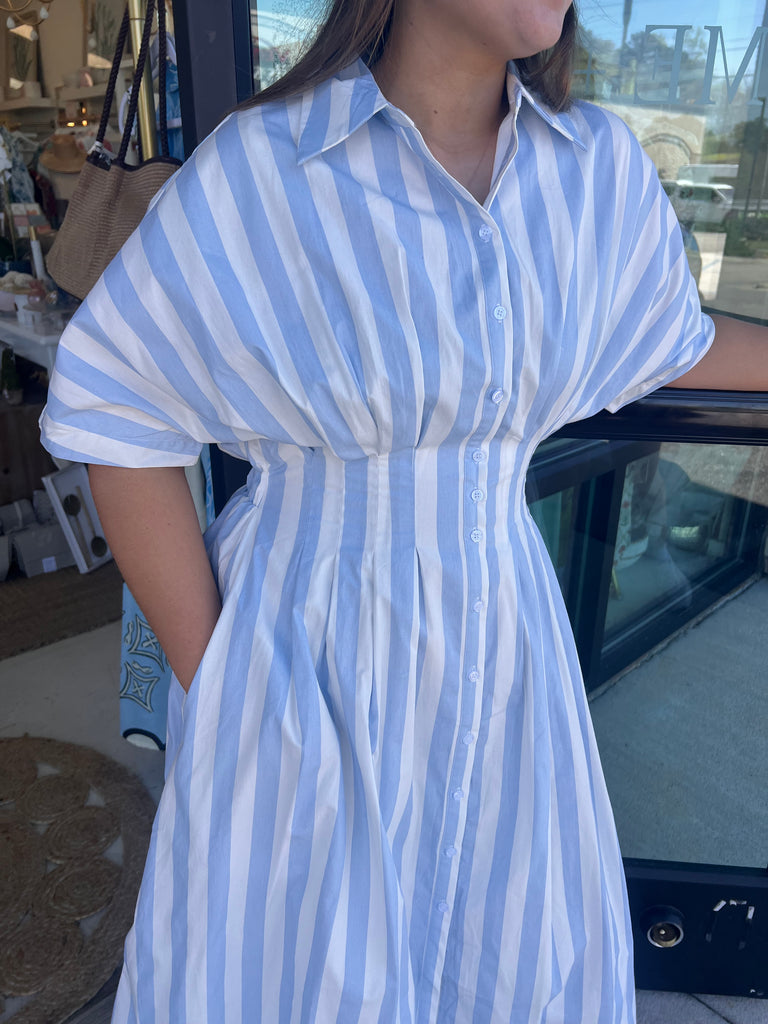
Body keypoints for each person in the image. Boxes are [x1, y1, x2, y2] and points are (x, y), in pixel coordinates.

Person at [39, 1, 768, 1021]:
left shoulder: (594, 167)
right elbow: (116, 408)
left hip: (508, 645)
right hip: (304, 646)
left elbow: (669, 339)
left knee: (501, 949)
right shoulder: (269, 165)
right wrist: (225, 678)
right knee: (289, 967)